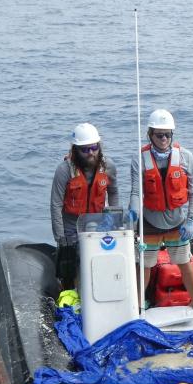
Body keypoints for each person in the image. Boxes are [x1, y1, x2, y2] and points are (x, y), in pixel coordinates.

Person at [129, 108, 193, 311]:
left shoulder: (186, 157)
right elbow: (136, 192)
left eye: (167, 135)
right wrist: (132, 216)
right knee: (145, 265)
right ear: (150, 135)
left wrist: (191, 219)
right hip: (150, 223)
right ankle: (137, 306)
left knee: (184, 262)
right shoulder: (139, 159)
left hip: (177, 224)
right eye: (159, 135)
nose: (163, 139)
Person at [50, 123, 119, 288]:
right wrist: (61, 239)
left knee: (99, 263)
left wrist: (113, 221)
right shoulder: (64, 171)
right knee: (70, 266)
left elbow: (114, 193)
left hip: (98, 224)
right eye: (85, 149)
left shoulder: (108, 166)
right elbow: (55, 205)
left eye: (94, 148)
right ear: (75, 150)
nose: (91, 153)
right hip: (71, 227)